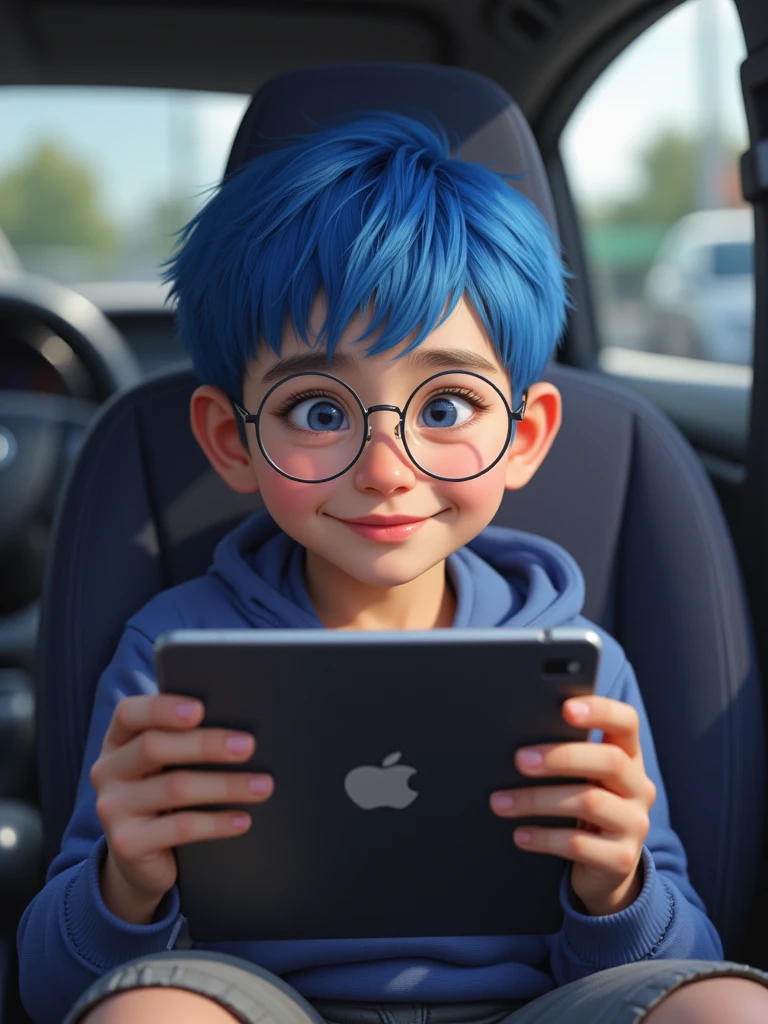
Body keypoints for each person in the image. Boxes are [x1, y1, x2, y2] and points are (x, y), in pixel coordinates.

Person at [17, 112, 768, 1024]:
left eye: (447, 403)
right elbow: (56, 988)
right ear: (232, 441)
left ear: (523, 438)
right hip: (258, 1007)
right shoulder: (174, 656)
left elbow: (684, 956)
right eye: (320, 412)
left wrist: (618, 887)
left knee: (728, 1007)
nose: (386, 467)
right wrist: (122, 881)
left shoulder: (578, 663)